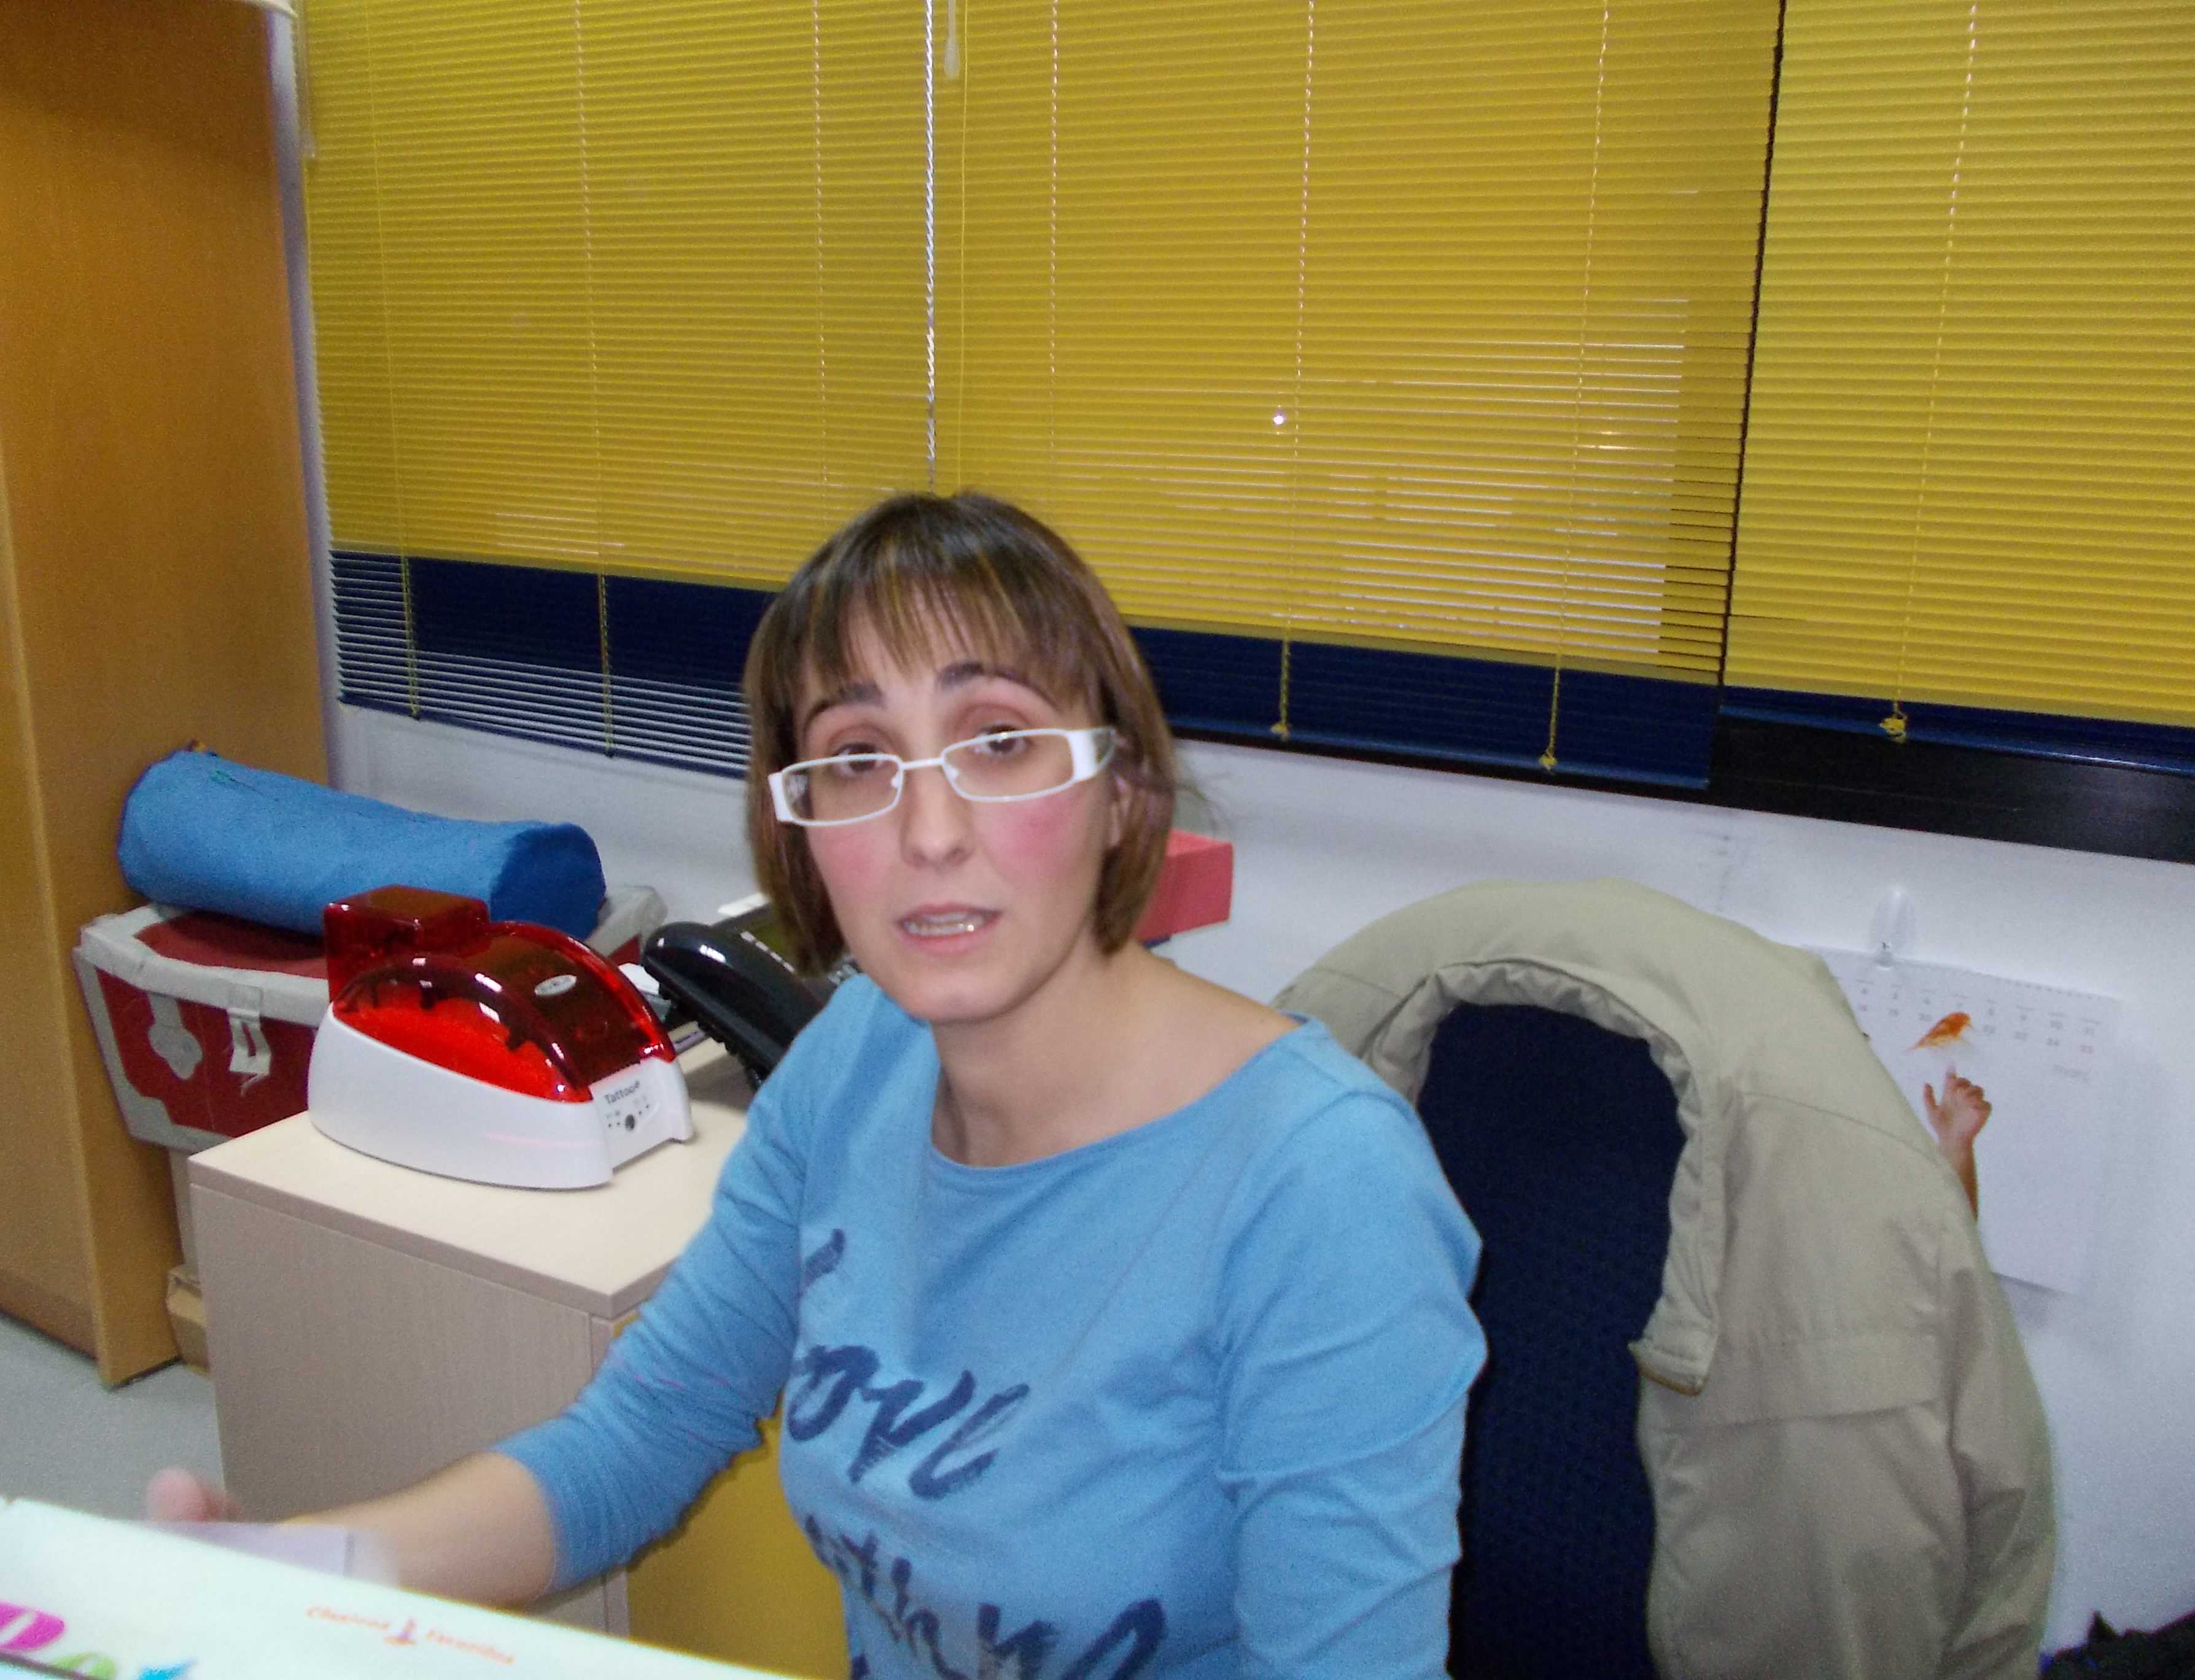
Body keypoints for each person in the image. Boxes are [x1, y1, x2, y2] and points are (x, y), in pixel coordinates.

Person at [152, 492, 1486, 1678]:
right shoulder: (853, 1059)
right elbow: (630, 1447)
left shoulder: (1321, 1186)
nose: (928, 830)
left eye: (999, 740)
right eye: (857, 758)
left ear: (1123, 796)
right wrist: (302, 1571)